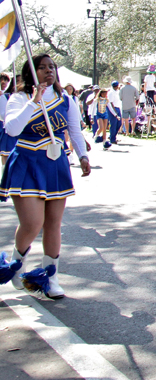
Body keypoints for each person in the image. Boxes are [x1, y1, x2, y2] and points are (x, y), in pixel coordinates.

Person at [0, 54, 90, 299]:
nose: (49, 71)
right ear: (32, 72)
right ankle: (16, 264)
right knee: (32, 223)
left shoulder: (65, 99)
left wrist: (83, 156)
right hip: (27, 162)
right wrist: (34, 101)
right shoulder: (19, 98)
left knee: (53, 223)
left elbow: (74, 130)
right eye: (42, 67)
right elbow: (12, 129)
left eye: (52, 67)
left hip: (55, 163)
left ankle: (50, 277)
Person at [107, 80, 122, 146]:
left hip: (118, 107)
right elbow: (111, 103)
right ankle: (112, 139)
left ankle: (112, 135)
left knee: (119, 123)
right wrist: (114, 111)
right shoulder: (111, 92)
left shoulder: (117, 92)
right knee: (113, 124)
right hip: (113, 108)